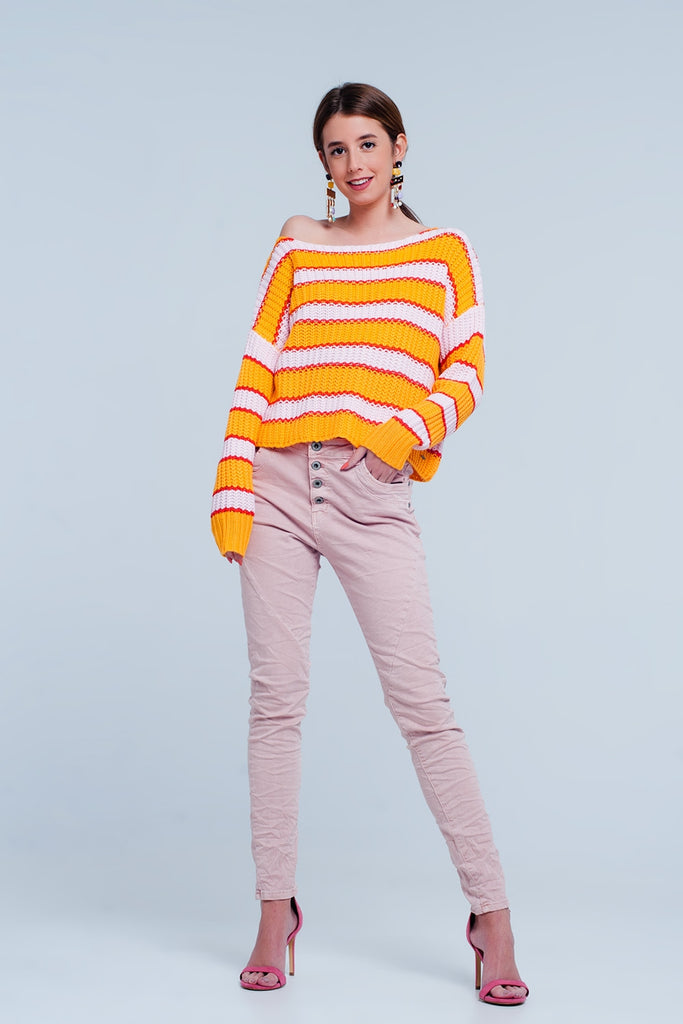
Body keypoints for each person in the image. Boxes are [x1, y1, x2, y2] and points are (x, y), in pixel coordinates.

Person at [210, 82, 529, 1006]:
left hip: (369, 489)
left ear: (398, 148)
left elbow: (466, 369)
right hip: (276, 482)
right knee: (275, 703)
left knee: (423, 707)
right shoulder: (298, 243)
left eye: (365, 144)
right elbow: (257, 364)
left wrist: (400, 437)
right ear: (323, 162)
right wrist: (232, 482)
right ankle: (274, 911)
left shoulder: (442, 251)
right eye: (335, 150)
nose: (352, 164)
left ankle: (492, 918)